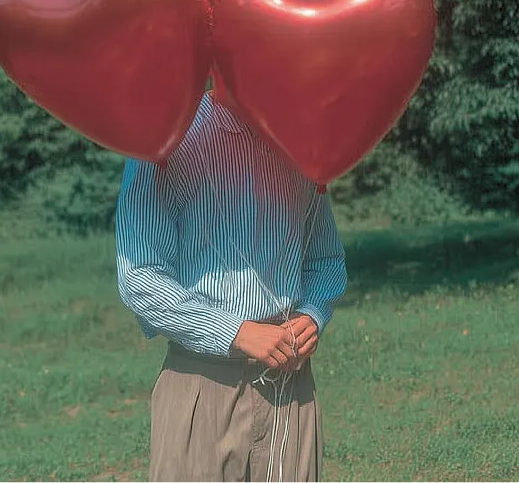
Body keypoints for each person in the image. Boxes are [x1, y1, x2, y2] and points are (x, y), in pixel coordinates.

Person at [115, 89, 348, 482]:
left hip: (290, 388)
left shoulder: (300, 139)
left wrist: (314, 312)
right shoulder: (166, 137)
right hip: (203, 385)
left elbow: (325, 259)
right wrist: (235, 332)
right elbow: (141, 278)